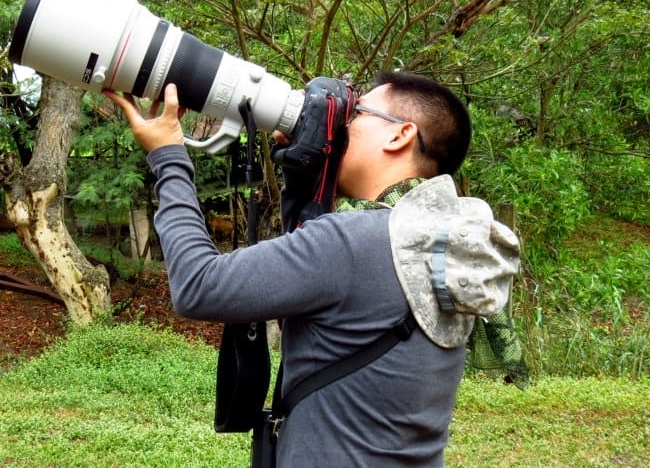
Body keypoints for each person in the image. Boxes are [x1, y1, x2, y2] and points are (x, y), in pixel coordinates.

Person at [105, 71, 519, 467]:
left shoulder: (353, 243)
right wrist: (302, 181)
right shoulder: (439, 242)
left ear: (400, 134)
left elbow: (198, 285)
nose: (340, 125)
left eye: (356, 114)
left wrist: (169, 157)